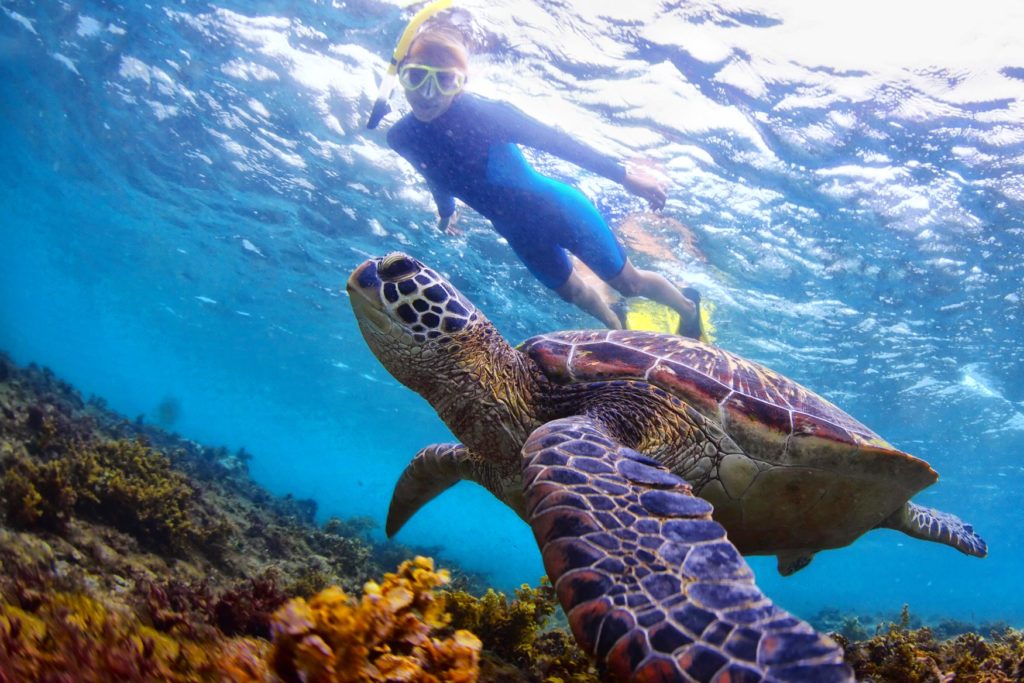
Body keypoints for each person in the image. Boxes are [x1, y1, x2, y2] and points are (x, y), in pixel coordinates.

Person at [382, 20, 702, 338]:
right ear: (401, 75)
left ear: (461, 84)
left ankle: (688, 308)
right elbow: (432, 172)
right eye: (416, 77)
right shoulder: (401, 138)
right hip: (518, 232)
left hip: (560, 210)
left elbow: (557, 142)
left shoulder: (485, 115)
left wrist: (624, 176)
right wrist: (445, 210)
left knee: (629, 284)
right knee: (574, 294)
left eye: (445, 81)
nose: (428, 94)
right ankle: (617, 330)